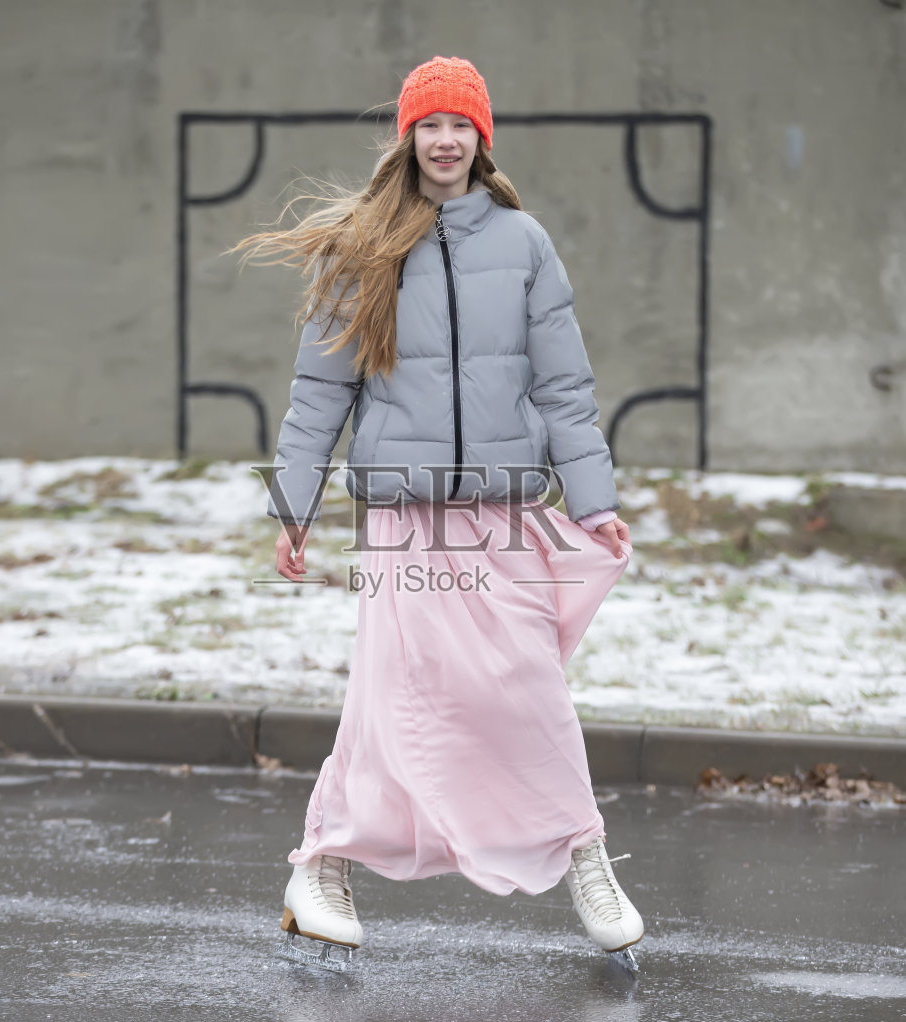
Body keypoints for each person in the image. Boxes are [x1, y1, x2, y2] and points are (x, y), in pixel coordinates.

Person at [230, 55, 643, 972]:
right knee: (394, 696)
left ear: (481, 138)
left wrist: (596, 499)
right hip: (404, 517)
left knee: (526, 684)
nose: (446, 141)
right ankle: (323, 869)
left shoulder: (525, 243)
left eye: (462, 125)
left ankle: (586, 856)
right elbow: (316, 393)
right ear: (409, 137)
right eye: (430, 125)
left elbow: (566, 389)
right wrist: (291, 508)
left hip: (502, 514)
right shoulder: (366, 245)